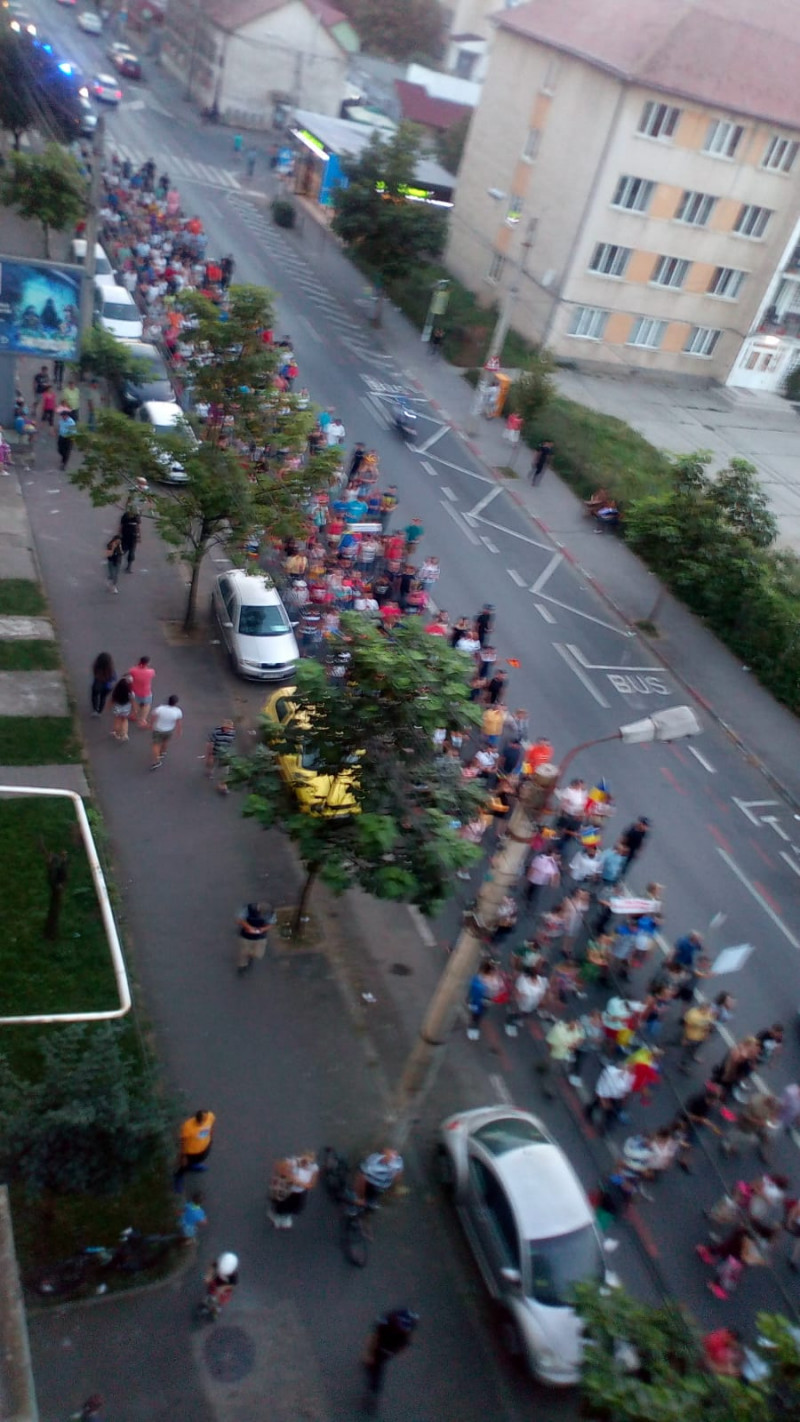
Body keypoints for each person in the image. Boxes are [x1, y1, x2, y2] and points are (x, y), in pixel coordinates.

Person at [362, 1307, 418, 1406]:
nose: (404, 1329)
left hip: (389, 1348)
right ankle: (373, 1387)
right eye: (402, 1326)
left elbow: (406, 1342)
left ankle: (373, 1391)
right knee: (374, 1364)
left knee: (377, 1367)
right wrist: (368, 1353)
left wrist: (392, 1353)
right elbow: (374, 1336)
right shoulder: (387, 1320)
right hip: (381, 1343)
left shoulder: (408, 1327)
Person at [267, 1150, 319, 1229]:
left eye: (310, 1161)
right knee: (281, 1205)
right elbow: (278, 1167)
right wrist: (289, 1174)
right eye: (305, 1159)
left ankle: (285, 1217)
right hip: (287, 1190)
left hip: (299, 1193)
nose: (306, 1163)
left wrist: (299, 1183)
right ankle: (276, 1216)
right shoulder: (292, 1162)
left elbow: (311, 1184)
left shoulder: (314, 1168)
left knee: (294, 1207)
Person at [176, 1109, 216, 1186]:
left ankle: (192, 1166)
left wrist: (211, 1138)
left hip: (204, 1148)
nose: (201, 1123)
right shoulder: (188, 1126)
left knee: (200, 1159)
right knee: (184, 1165)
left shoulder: (209, 1117)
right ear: (195, 1119)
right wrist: (183, 1155)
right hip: (190, 1152)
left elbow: (211, 1126)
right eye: (199, 1122)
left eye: (202, 1121)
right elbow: (183, 1141)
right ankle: (179, 1176)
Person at [236, 901, 277, 973]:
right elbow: (239, 920)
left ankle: (250, 956)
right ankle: (242, 967)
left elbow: (271, 924)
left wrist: (263, 929)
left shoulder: (270, 912)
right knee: (243, 953)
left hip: (260, 937)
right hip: (246, 936)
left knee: (258, 954)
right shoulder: (248, 909)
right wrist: (248, 927)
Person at [200, 1252, 238, 1319]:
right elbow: (212, 1267)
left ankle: (216, 1310)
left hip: (224, 1290)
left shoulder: (233, 1275)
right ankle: (207, 1303)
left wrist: (223, 1288)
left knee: (219, 1300)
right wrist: (208, 1275)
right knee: (210, 1293)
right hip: (215, 1282)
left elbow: (232, 1285)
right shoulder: (219, 1262)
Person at [150, 694, 183, 769]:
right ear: (175, 703)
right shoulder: (177, 711)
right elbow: (179, 722)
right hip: (169, 730)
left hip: (158, 729)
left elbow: (153, 717)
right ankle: (162, 752)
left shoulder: (160, 709)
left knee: (156, 744)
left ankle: (156, 761)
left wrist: (151, 725)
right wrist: (179, 730)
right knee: (165, 741)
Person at [205, 719, 236, 792]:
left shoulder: (232, 733)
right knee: (212, 764)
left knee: (225, 770)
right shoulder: (216, 732)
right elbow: (211, 743)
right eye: (227, 728)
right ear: (223, 727)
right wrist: (210, 755)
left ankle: (222, 785)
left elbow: (230, 743)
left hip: (225, 754)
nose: (228, 730)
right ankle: (210, 771)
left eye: (230, 728)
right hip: (215, 752)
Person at [127, 655, 155, 728]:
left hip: (135, 690)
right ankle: (143, 720)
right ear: (148, 663)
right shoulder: (151, 672)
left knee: (135, 702)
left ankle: (134, 714)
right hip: (146, 692)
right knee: (146, 705)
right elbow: (152, 675)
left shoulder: (133, 670)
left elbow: (130, 674)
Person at [109, 674, 133, 741]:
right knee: (125, 720)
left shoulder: (116, 692)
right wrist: (135, 709)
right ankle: (124, 734)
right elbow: (132, 701)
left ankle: (117, 733)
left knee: (117, 720)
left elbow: (112, 700)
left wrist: (108, 706)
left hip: (118, 708)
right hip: (126, 708)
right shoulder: (130, 693)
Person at [90, 651, 115, 716]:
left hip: (97, 684)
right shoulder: (111, 669)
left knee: (94, 696)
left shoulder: (96, 667)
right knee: (103, 697)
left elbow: (95, 674)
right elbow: (114, 677)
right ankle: (100, 711)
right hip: (107, 687)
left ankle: (95, 709)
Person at [120, 504, 141, 572]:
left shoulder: (125, 515)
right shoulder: (136, 517)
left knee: (124, 549)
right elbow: (137, 527)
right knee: (131, 551)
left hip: (125, 534)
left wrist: (119, 534)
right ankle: (128, 567)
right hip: (133, 536)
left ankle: (116, 560)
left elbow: (121, 525)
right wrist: (138, 536)